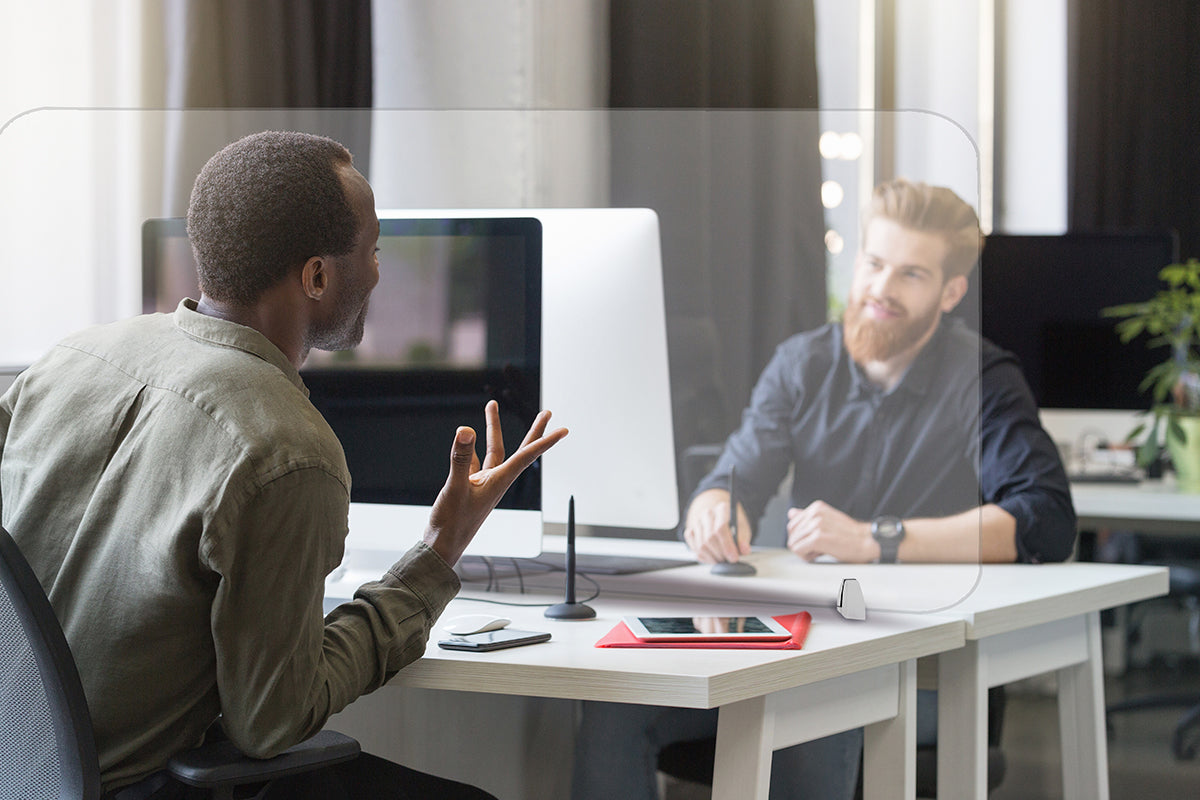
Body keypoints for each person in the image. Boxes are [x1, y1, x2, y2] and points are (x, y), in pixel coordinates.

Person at [0, 131, 567, 800]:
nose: (380, 272)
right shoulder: (287, 451)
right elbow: (270, 721)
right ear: (318, 276)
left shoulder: (72, 358)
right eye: (374, 250)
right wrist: (437, 556)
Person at [571, 178, 1075, 800]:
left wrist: (875, 540)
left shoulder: (984, 379)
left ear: (951, 293)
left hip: (922, 671)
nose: (881, 290)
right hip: (792, 643)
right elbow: (734, 479)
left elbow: (1045, 520)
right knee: (617, 700)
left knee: (816, 699)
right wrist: (713, 513)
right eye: (874, 263)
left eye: (911, 275)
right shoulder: (802, 364)